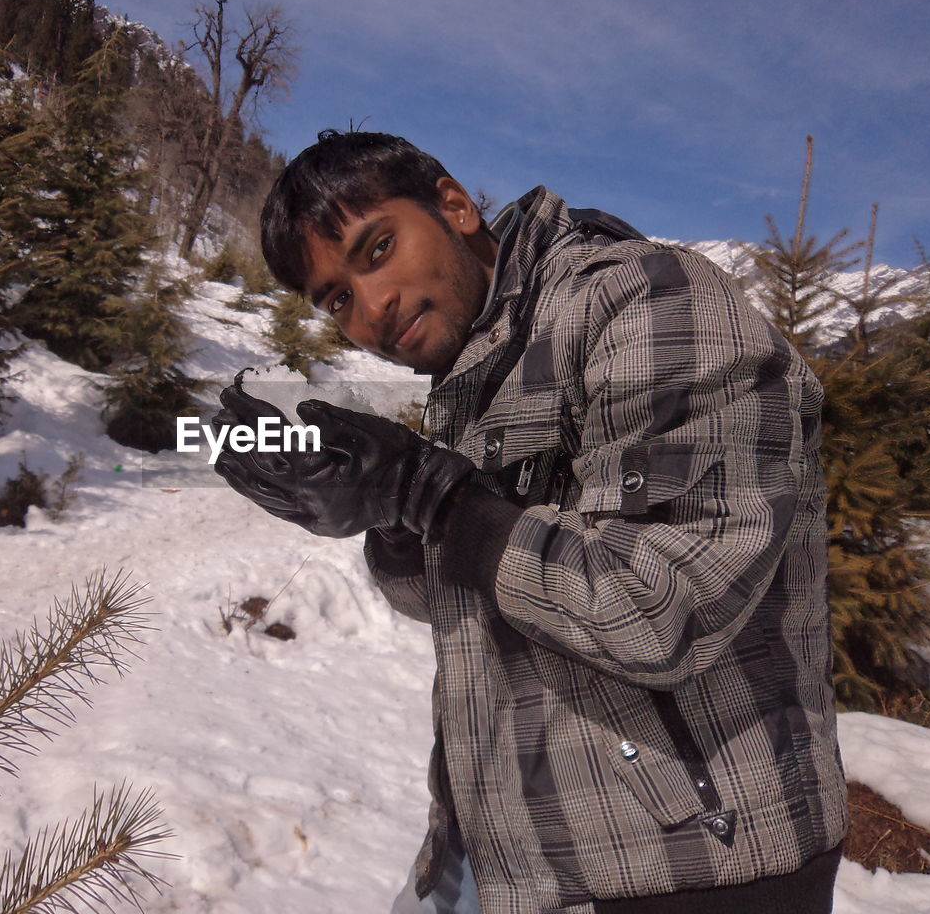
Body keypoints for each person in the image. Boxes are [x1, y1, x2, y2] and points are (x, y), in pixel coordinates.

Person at [210, 129, 847, 914]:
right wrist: (386, 514)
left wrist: (431, 494)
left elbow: (662, 604)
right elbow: (466, 588)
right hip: (503, 851)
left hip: (687, 870)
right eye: (337, 298)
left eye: (377, 249)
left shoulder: (646, 299)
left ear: (454, 205)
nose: (371, 308)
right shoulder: (478, 367)